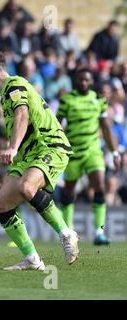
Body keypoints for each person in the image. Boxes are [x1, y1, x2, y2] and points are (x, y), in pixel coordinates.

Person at [0, 50, 79, 271]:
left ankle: (67, 234)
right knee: (1, 205)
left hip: (49, 145)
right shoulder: (5, 93)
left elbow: (23, 114)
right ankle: (32, 259)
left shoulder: (14, 84)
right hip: (27, 155)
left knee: (27, 187)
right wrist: (13, 149)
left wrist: (11, 148)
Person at [57, 68, 121, 245]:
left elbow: (106, 128)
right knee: (69, 191)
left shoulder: (99, 100)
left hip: (93, 150)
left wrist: (114, 152)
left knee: (100, 186)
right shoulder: (67, 100)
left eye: (87, 80)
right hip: (73, 151)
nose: (83, 83)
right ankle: (67, 232)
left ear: (92, 82)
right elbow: (56, 124)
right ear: (75, 81)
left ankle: (99, 233)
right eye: (80, 80)